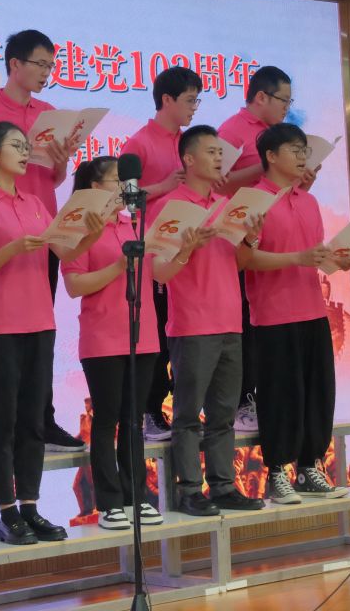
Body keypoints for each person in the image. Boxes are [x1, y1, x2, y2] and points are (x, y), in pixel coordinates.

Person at [0, 121, 104, 544]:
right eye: (15, 145)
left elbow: (64, 251)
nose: (25, 152)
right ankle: (6, 514)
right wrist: (10, 249)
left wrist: (92, 236)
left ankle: (30, 506)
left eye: (27, 146)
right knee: (1, 423)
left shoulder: (36, 203)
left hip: (40, 324)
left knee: (32, 423)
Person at [0, 30, 84, 452]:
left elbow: (51, 179)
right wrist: (0, 172)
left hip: (43, 229)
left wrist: (61, 162)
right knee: (8, 338)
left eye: (51, 66)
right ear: (15, 64)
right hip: (0, 231)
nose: (47, 73)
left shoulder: (49, 113)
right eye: (40, 64)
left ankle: (42, 420)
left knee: (42, 332)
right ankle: (10, 431)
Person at [152, 125, 265, 516]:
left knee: (223, 414)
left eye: (221, 152)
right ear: (188, 159)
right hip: (192, 324)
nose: (220, 158)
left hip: (230, 321)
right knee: (187, 415)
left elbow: (241, 263)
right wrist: (187, 249)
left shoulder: (225, 204)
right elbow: (158, 272)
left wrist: (251, 238)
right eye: (212, 151)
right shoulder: (170, 207)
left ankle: (223, 486)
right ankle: (188, 490)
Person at [245, 123, 350, 505]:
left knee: (318, 391)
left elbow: (314, 255)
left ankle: (310, 467)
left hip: (312, 309)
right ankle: (277, 472)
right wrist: (297, 258)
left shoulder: (308, 201)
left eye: (305, 150)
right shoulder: (254, 201)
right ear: (271, 156)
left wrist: (338, 260)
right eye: (295, 149)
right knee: (280, 394)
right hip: (274, 314)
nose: (303, 157)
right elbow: (244, 258)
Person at [62, 156, 164, 530]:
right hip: (103, 337)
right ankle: (109, 503)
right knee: (106, 421)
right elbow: (75, 285)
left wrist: (183, 249)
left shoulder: (137, 224)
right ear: (94, 187)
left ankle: (137, 496)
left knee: (134, 421)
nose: (125, 187)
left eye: (127, 181)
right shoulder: (80, 230)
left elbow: (159, 273)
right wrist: (118, 268)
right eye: (116, 180)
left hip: (143, 335)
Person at [217, 66, 317, 434]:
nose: (287, 108)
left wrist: (299, 179)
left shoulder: (281, 135)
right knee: (246, 324)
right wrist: (267, 167)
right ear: (261, 97)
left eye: (291, 101)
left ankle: (261, 398)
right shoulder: (232, 131)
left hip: (275, 232)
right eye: (283, 100)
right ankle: (243, 399)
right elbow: (218, 184)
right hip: (239, 234)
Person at [120, 66, 202, 444]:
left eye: (197, 101)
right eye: (189, 100)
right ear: (167, 100)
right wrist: (164, 185)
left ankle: (185, 409)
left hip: (189, 250)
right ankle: (150, 410)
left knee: (185, 332)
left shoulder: (190, 144)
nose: (194, 108)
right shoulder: (138, 143)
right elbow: (124, 200)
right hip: (154, 252)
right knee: (154, 335)